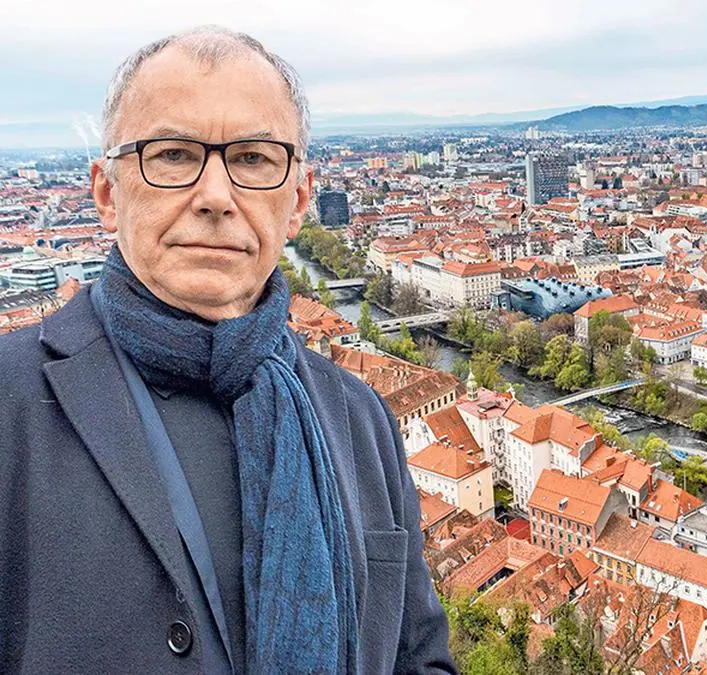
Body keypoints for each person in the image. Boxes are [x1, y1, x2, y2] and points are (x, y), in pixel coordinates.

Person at [0, 26, 455, 673]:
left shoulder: (360, 417)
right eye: (173, 154)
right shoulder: (10, 406)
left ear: (297, 201)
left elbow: (419, 657)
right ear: (106, 193)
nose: (215, 196)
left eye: (252, 158)